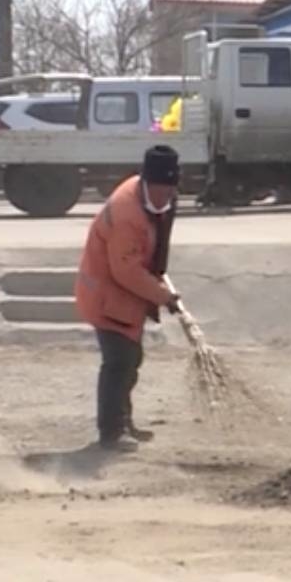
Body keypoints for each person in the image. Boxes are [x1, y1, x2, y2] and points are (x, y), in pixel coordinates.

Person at [76, 146, 182, 450]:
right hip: (106, 294)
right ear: (148, 184)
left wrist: (159, 274)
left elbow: (159, 240)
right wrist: (163, 296)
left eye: (169, 191)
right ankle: (111, 432)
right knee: (118, 362)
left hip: (128, 297)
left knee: (131, 359)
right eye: (160, 192)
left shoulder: (164, 199)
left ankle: (124, 421)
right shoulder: (126, 213)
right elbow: (126, 272)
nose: (165, 199)